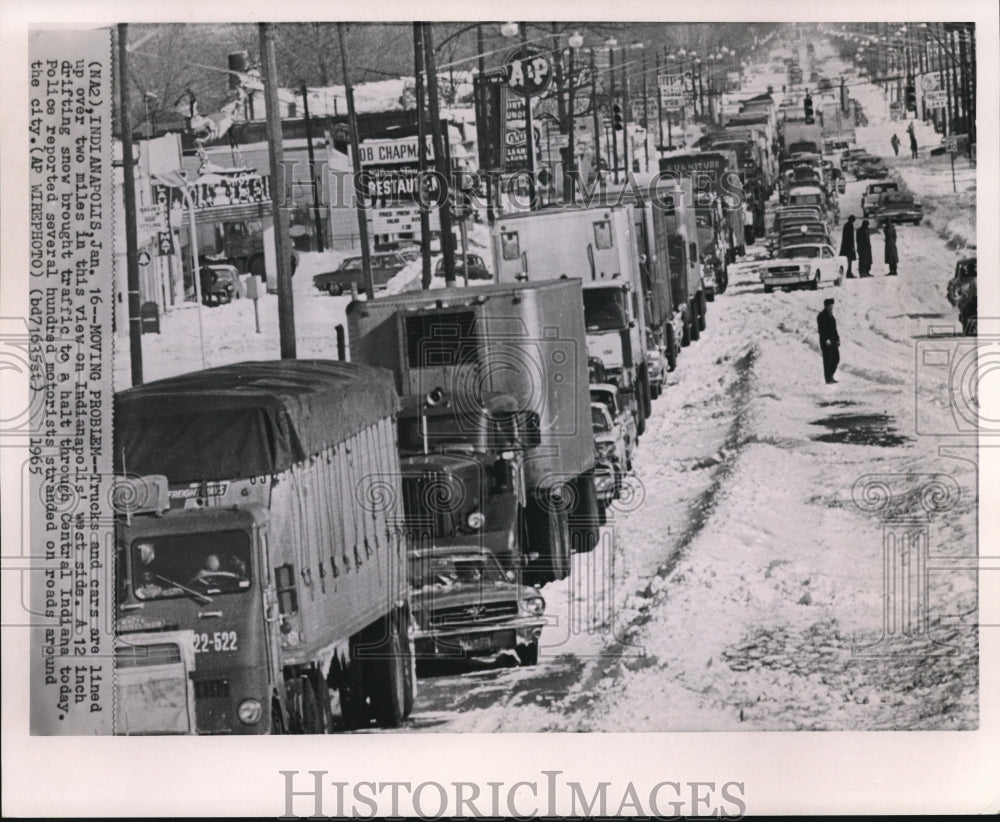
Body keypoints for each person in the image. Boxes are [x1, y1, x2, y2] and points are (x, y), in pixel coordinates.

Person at [817, 298, 840, 384]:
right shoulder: (821, 316)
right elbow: (821, 330)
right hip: (826, 342)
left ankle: (831, 376)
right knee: (828, 360)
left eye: (832, 306)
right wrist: (826, 339)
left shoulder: (831, 316)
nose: (831, 308)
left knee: (836, 359)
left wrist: (837, 339)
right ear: (826, 306)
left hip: (833, 341)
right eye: (829, 306)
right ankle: (828, 379)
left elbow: (834, 329)